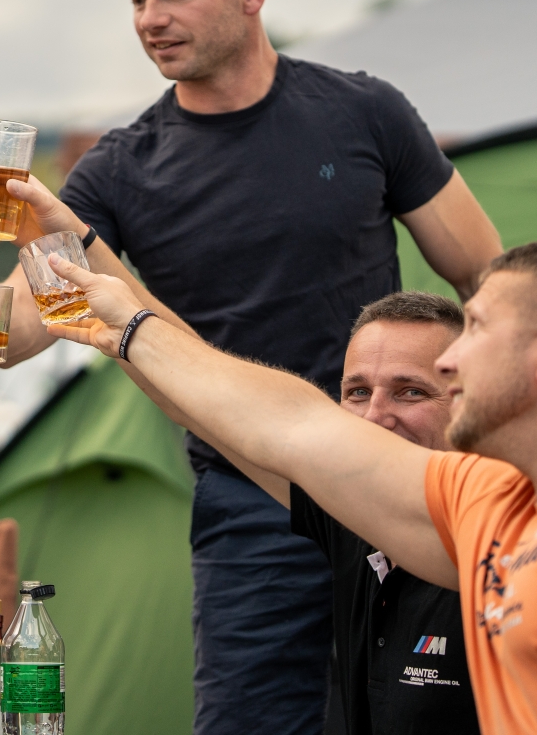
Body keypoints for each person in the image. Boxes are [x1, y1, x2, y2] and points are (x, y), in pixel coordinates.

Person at [0, 0, 502, 733]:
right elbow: (18, 327)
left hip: (399, 478)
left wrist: (495, 445)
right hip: (254, 509)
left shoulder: (363, 113)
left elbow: (485, 275)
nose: (150, 19)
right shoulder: (122, 169)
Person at [46, 239, 537, 735]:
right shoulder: (483, 499)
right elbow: (288, 423)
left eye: (475, 328)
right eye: (357, 390)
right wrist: (125, 320)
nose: (451, 359)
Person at [199, 291, 479, 735]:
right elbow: (198, 398)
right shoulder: (353, 512)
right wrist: (92, 265)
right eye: (358, 392)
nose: (373, 417)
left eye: (411, 392)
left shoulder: (504, 534)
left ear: (473, 406)